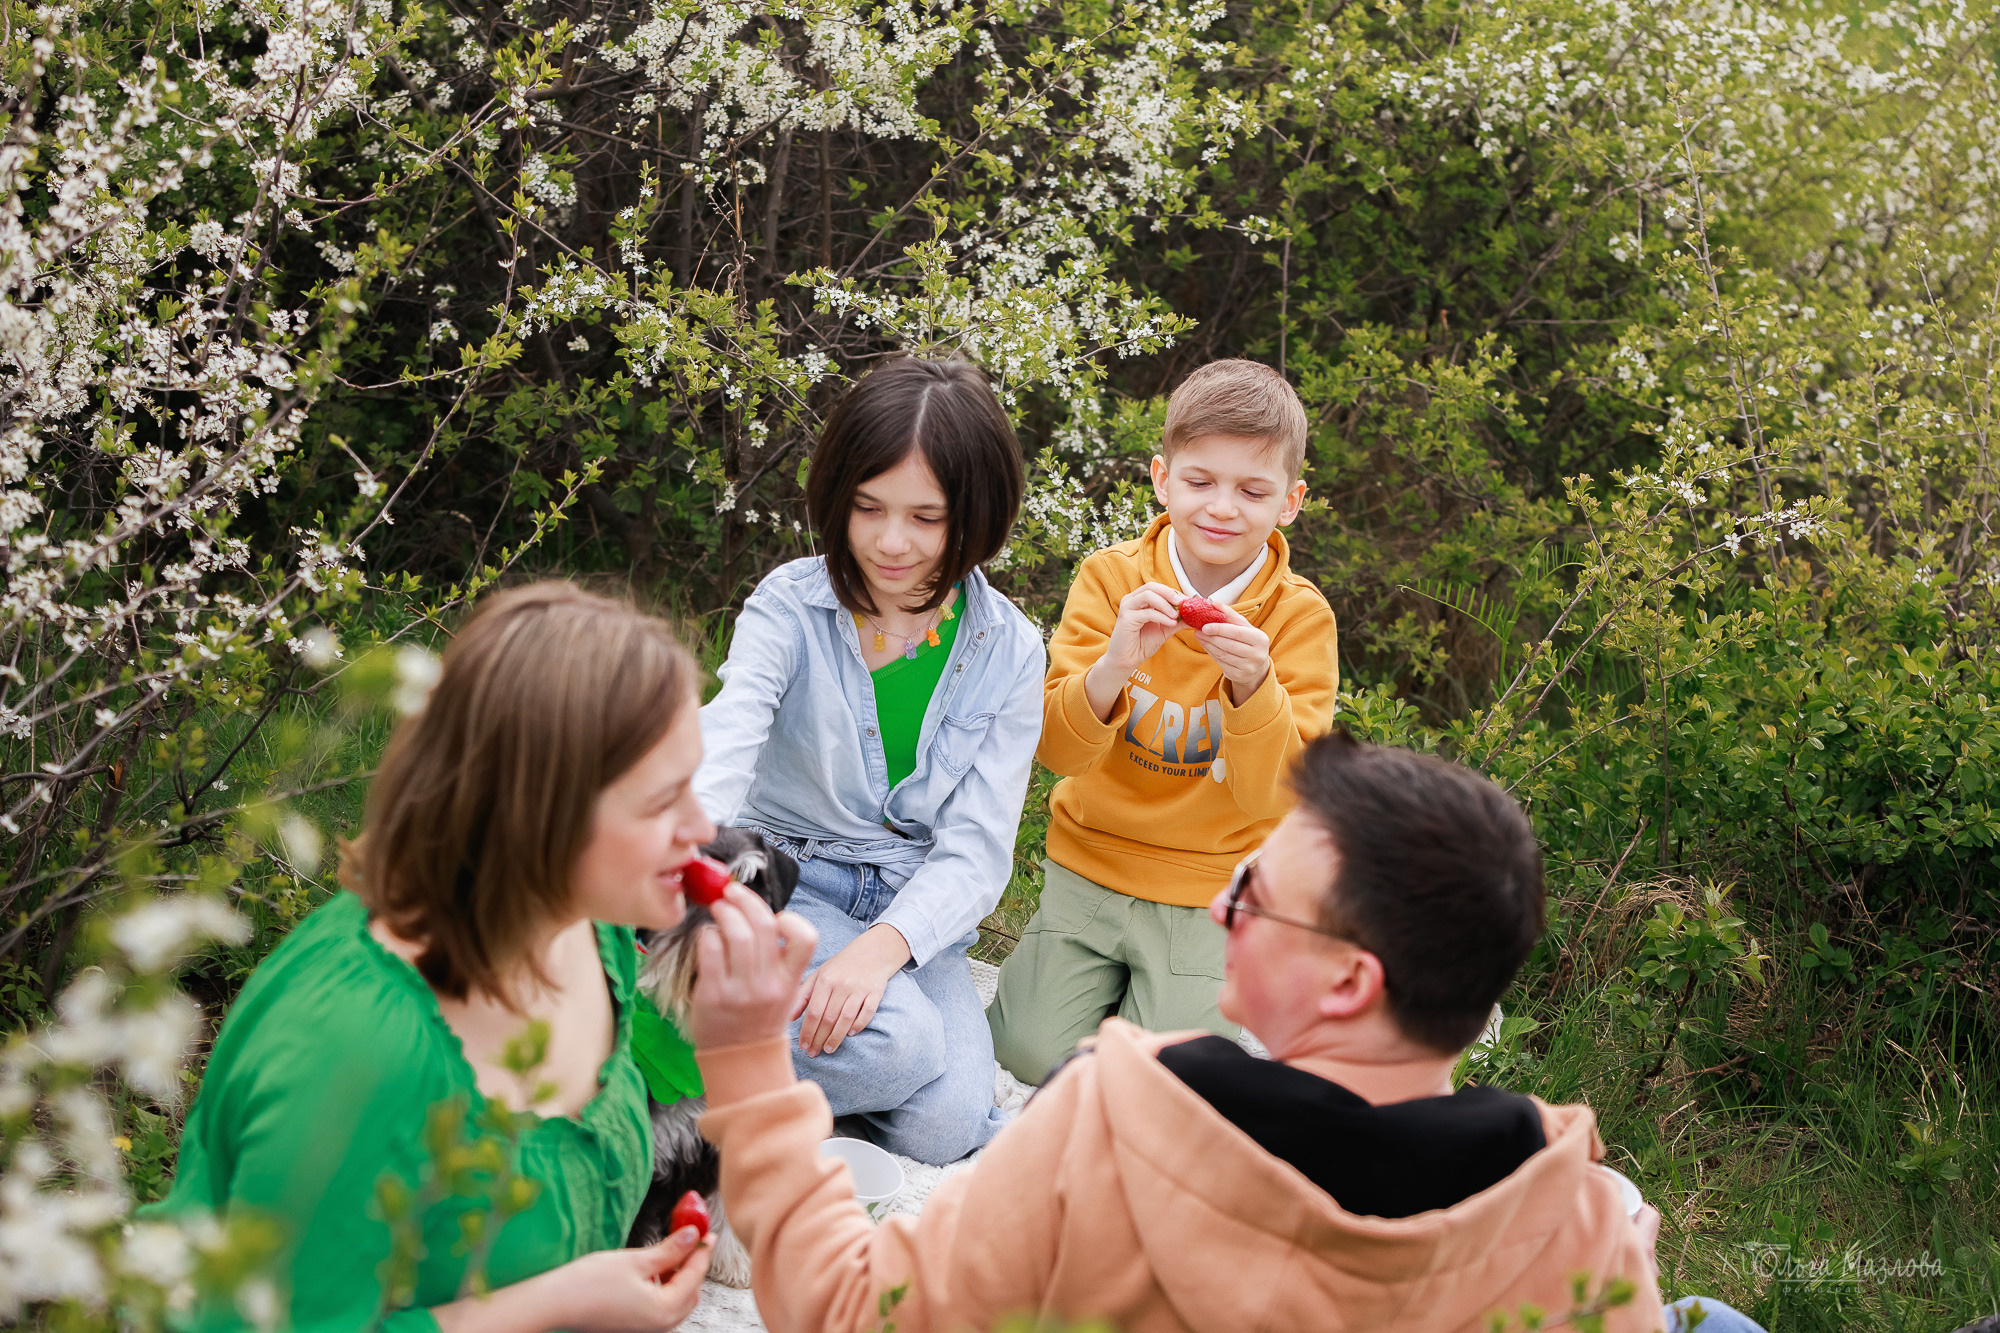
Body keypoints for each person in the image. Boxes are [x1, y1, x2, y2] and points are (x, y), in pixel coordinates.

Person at [682, 732, 1768, 1333]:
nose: (1217, 910)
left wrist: (741, 1061)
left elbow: (842, 1308)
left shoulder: (1107, 1127)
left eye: (1249, 892)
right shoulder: (1575, 1229)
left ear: (1348, 982)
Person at [143, 583, 717, 1331]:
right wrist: (560, 1302)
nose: (703, 826)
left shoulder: (594, 931)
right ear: (536, 815)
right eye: (661, 801)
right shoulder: (352, 1051)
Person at [692, 356, 1042, 1165]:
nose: (892, 542)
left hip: (913, 908)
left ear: (976, 514)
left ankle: (762, 1060)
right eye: (868, 507)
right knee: (901, 1046)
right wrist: (685, 871)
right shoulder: (790, 604)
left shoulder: (1011, 650)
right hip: (787, 872)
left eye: (927, 517)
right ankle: (664, 1077)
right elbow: (726, 740)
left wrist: (877, 952)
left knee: (947, 1125)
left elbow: (977, 850)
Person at [987, 357, 1339, 1083]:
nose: (1221, 507)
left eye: (1252, 490)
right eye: (1200, 480)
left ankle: (1175, 995)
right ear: (1161, 478)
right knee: (1022, 1051)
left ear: (1290, 501)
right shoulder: (1111, 579)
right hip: (1090, 863)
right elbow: (1056, 750)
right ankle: (1101, 992)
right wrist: (1114, 665)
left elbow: (1274, 799)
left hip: (1207, 886)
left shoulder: (1299, 618)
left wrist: (1255, 688)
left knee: (1164, 1079)